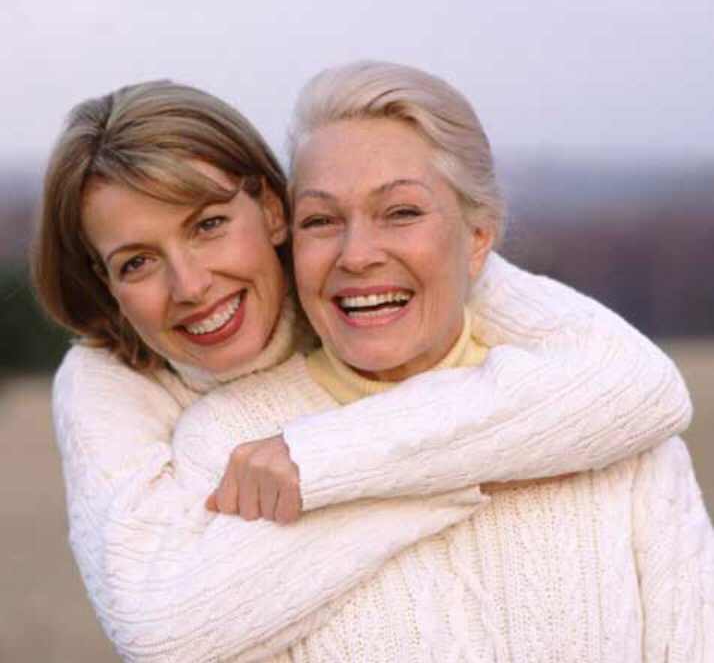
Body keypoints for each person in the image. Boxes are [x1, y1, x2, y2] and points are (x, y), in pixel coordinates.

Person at [31, 76, 697, 662]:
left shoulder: (420, 275)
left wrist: (317, 460)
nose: (192, 285)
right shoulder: (144, 405)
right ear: (104, 279)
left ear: (271, 212)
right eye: (137, 262)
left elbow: (640, 385)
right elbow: (159, 628)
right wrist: (466, 470)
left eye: (208, 225)